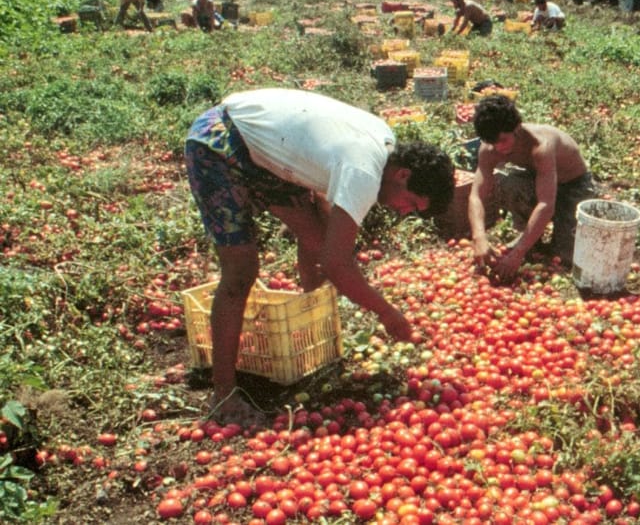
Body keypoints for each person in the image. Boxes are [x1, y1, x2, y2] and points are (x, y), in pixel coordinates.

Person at [183, 88, 455, 425]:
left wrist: (322, 273)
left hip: (266, 152)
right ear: (403, 175)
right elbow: (336, 263)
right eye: (411, 203)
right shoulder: (364, 172)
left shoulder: (384, 143)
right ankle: (223, 393)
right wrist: (387, 312)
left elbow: (324, 235)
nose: (403, 212)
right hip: (220, 142)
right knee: (241, 269)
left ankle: (315, 337)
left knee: (316, 236)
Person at [468, 95, 598, 282]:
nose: (498, 147)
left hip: (574, 186)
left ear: (516, 128)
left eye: (503, 140)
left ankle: (537, 239)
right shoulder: (489, 149)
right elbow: (476, 196)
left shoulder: (540, 146)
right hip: (539, 180)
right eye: (492, 142)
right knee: (510, 183)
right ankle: (531, 240)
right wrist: (478, 236)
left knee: (566, 256)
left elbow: (546, 204)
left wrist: (518, 253)